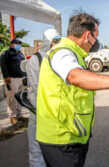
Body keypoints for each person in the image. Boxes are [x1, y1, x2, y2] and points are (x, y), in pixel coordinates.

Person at [36, 10, 109, 167]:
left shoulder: (74, 53)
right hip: (62, 138)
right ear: (87, 35)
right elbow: (76, 76)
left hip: (71, 134)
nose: (96, 41)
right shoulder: (62, 53)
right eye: (96, 36)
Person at [21, 29, 61, 167]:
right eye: (55, 40)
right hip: (38, 108)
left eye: (59, 40)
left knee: (55, 144)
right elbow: (36, 85)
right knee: (36, 144)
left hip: (55, 108)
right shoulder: (35, 59)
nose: (57, 43)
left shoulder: (59, 58)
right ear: (47, 41)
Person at [0, 39, 26, 125]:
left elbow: (23, 65)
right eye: (17, 44)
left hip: (20, 78)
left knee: (20, 97)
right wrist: (6, 76)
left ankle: (19, 115)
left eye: (19, 44)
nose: (19, 45)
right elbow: (3, 65)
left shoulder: (20, 54)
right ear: (11, 44)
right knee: (12, 98)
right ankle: (12, 116)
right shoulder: (6, 53)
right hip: (11, 78)